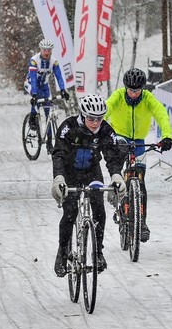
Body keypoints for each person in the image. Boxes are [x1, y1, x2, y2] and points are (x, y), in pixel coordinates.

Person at [51, 94, 125, 277]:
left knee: (99, 209)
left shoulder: (105, 130)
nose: (95, 123)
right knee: (70, 212)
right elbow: (59, 154)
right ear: (83, 115)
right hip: (70, 173)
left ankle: (98, 252)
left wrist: (116, 176)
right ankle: (62, 253)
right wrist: (58, 178)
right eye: (91, 118)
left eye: (99, 118)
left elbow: (112, 155)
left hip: (92, 171)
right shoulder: (68, 127)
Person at [105, 68, 172, 242]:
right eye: (131, 90)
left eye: (137, 90)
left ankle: (141, 221)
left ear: (142, 89)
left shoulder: (148, 98)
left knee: (140, 182)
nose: (134, 94)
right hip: (119, 136)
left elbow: (161, 115)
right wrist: (97, 131)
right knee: (117, 170)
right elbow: (106, 110)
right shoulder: (118, 96)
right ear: (126, 87)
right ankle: (117, 196)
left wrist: (167, 136)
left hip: (139, 141)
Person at [26, 39, 70, 148]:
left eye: (49, 50)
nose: (47, 52)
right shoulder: (34, 61)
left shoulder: (53, 61)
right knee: (36, 103)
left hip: (44, 86)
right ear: (40, 49)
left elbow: (59, 76)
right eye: (44, 50)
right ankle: (32, 120)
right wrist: (34, 94)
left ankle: (49, 141)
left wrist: (63, 90)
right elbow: (33, 78)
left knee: (48, 111)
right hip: (32, 84)